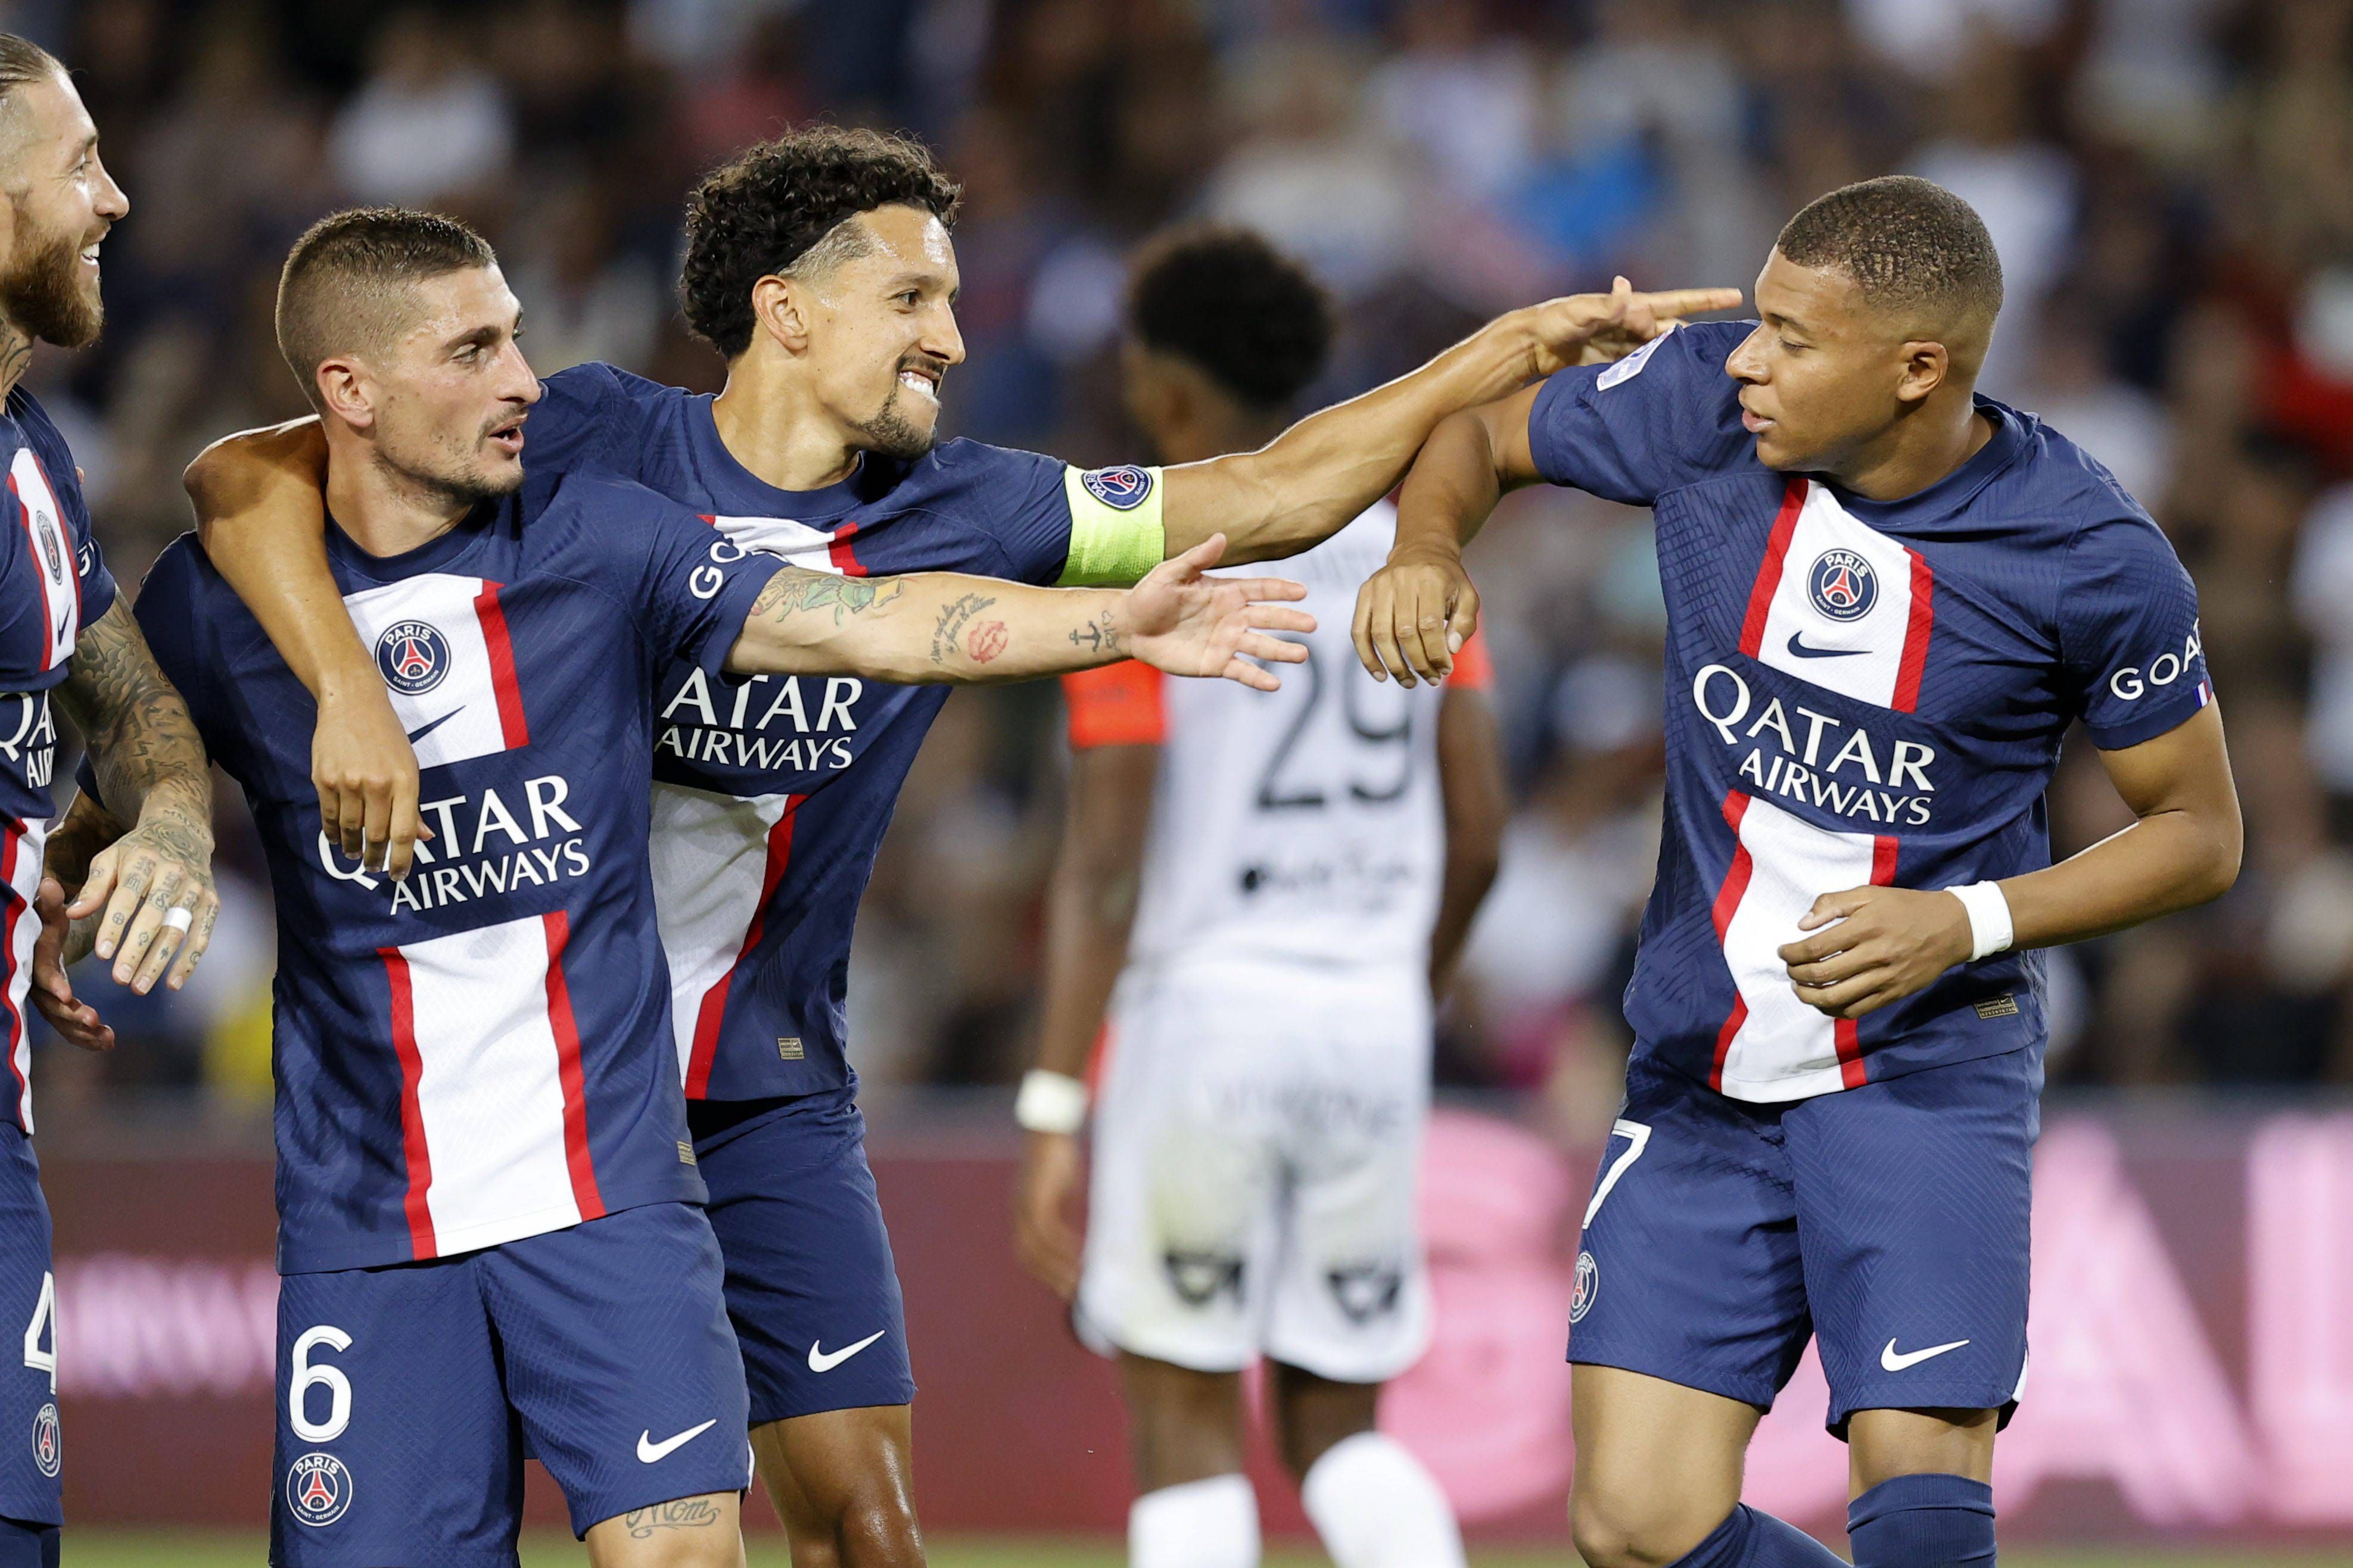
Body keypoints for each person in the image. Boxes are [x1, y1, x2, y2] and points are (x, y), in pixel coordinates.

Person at [176, 128, 1736, 1564]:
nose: (952, 334)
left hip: (769, 1086)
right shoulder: (584, 438)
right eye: (911, 295)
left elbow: (1263, 495)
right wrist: (341, 695)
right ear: (784, 312)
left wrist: (1502, 352)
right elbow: (251, 477)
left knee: (864, 1525)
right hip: (558, 1081)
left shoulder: (971, 506)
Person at [54, 205, 1312, 1568]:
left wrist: (1111, 622)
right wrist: (128, 835)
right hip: (371, 1214)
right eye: (474, 350)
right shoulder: (230, 604)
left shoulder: (600, 541)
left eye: (517, 340)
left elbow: (857, 619)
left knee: (684, 1554)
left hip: (614, 1192)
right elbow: (130, 716)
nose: (524, 380)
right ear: (350, 391)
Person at [1353, 175, 2243, 1568]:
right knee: (1636, 1527)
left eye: (1793, 338)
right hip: (1704, 1070)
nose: (1749, 357)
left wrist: (1961, 921)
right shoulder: (1707, 403)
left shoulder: (2089, 555)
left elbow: (2200, 832)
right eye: (1757, 321)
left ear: (1916, 371)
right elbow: (1475, 431)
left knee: (1918, 1523)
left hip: (1920, 1071)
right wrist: (1422, 543)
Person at [1013, 227, 1507, 1568]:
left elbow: (1108, 863)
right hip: (1365, 1016)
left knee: (1185, 1426)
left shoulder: (1140, 560)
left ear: (1169, 396)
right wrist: (1399, 990)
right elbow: (1478, 837)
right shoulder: (1415, 548)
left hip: (1205, 1017)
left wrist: (1056, 1097)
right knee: (1341, 1428)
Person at [0, 36, 226, 1568]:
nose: (116, 198)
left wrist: (163, 826)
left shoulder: (33, 464)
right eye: (78, 164)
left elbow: (132, 705)